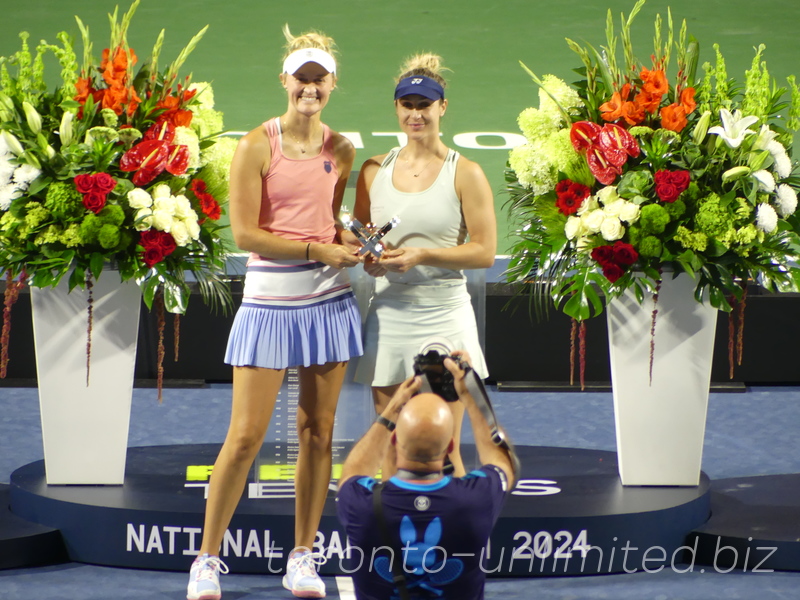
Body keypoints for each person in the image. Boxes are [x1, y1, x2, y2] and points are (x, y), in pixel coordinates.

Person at [187, 25, 362, 600]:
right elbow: (245, 234)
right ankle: (206, 560)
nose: (309, 88)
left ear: (332, 84)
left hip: (328, 299)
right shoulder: (255, 146)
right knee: (245, 436)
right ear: (284, 80)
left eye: (320, 79)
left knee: (318, 433)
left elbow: (328, 217)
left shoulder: (342, 149)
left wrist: (348, 242)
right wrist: (317, 247)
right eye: (301, 78)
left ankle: (303, 558)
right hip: (269, 300)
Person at [353, 53, 497, 479]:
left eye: (424, 105)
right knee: (388, 441)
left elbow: (484, 251)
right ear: (397, 108)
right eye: (407, 105)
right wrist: (370, 257)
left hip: (444, 313)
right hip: (390, 312)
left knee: (443, 444)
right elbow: (360, 234)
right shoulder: (373, 170)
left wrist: (421, 255)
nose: (415, 114)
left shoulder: (465, 173)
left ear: (442, 108)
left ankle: (450, 536)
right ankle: (386, 538)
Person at [336, 352, 517, 600]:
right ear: (451, 447)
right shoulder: (476, 501)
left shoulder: (362, 504)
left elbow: (352, 473)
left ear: (394, 440)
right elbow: (502, 464)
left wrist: (392, 409)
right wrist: (470, 393)